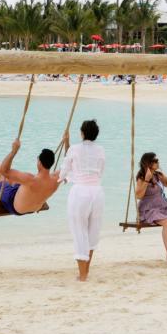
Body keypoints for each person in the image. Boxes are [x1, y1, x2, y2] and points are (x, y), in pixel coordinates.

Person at [59, 120, 105, 281]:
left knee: (79, 230)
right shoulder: (100, 150)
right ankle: (86, 271)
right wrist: (67, 144)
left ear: (82, 133)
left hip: (81, 192)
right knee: (93, 231)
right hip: (97, 192)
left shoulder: (74, 149)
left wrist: (60, 178)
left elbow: (64, 171)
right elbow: (99, 171)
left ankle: (83, 275)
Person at [0, 140, 61, 215]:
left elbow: (4, 170)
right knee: (12, 179)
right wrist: (67, 142)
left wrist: (13, 151)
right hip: (33, 206)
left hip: (15, 205)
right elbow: (70, 164)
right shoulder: (56, 179)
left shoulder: (30, 179)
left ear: (39, 162)